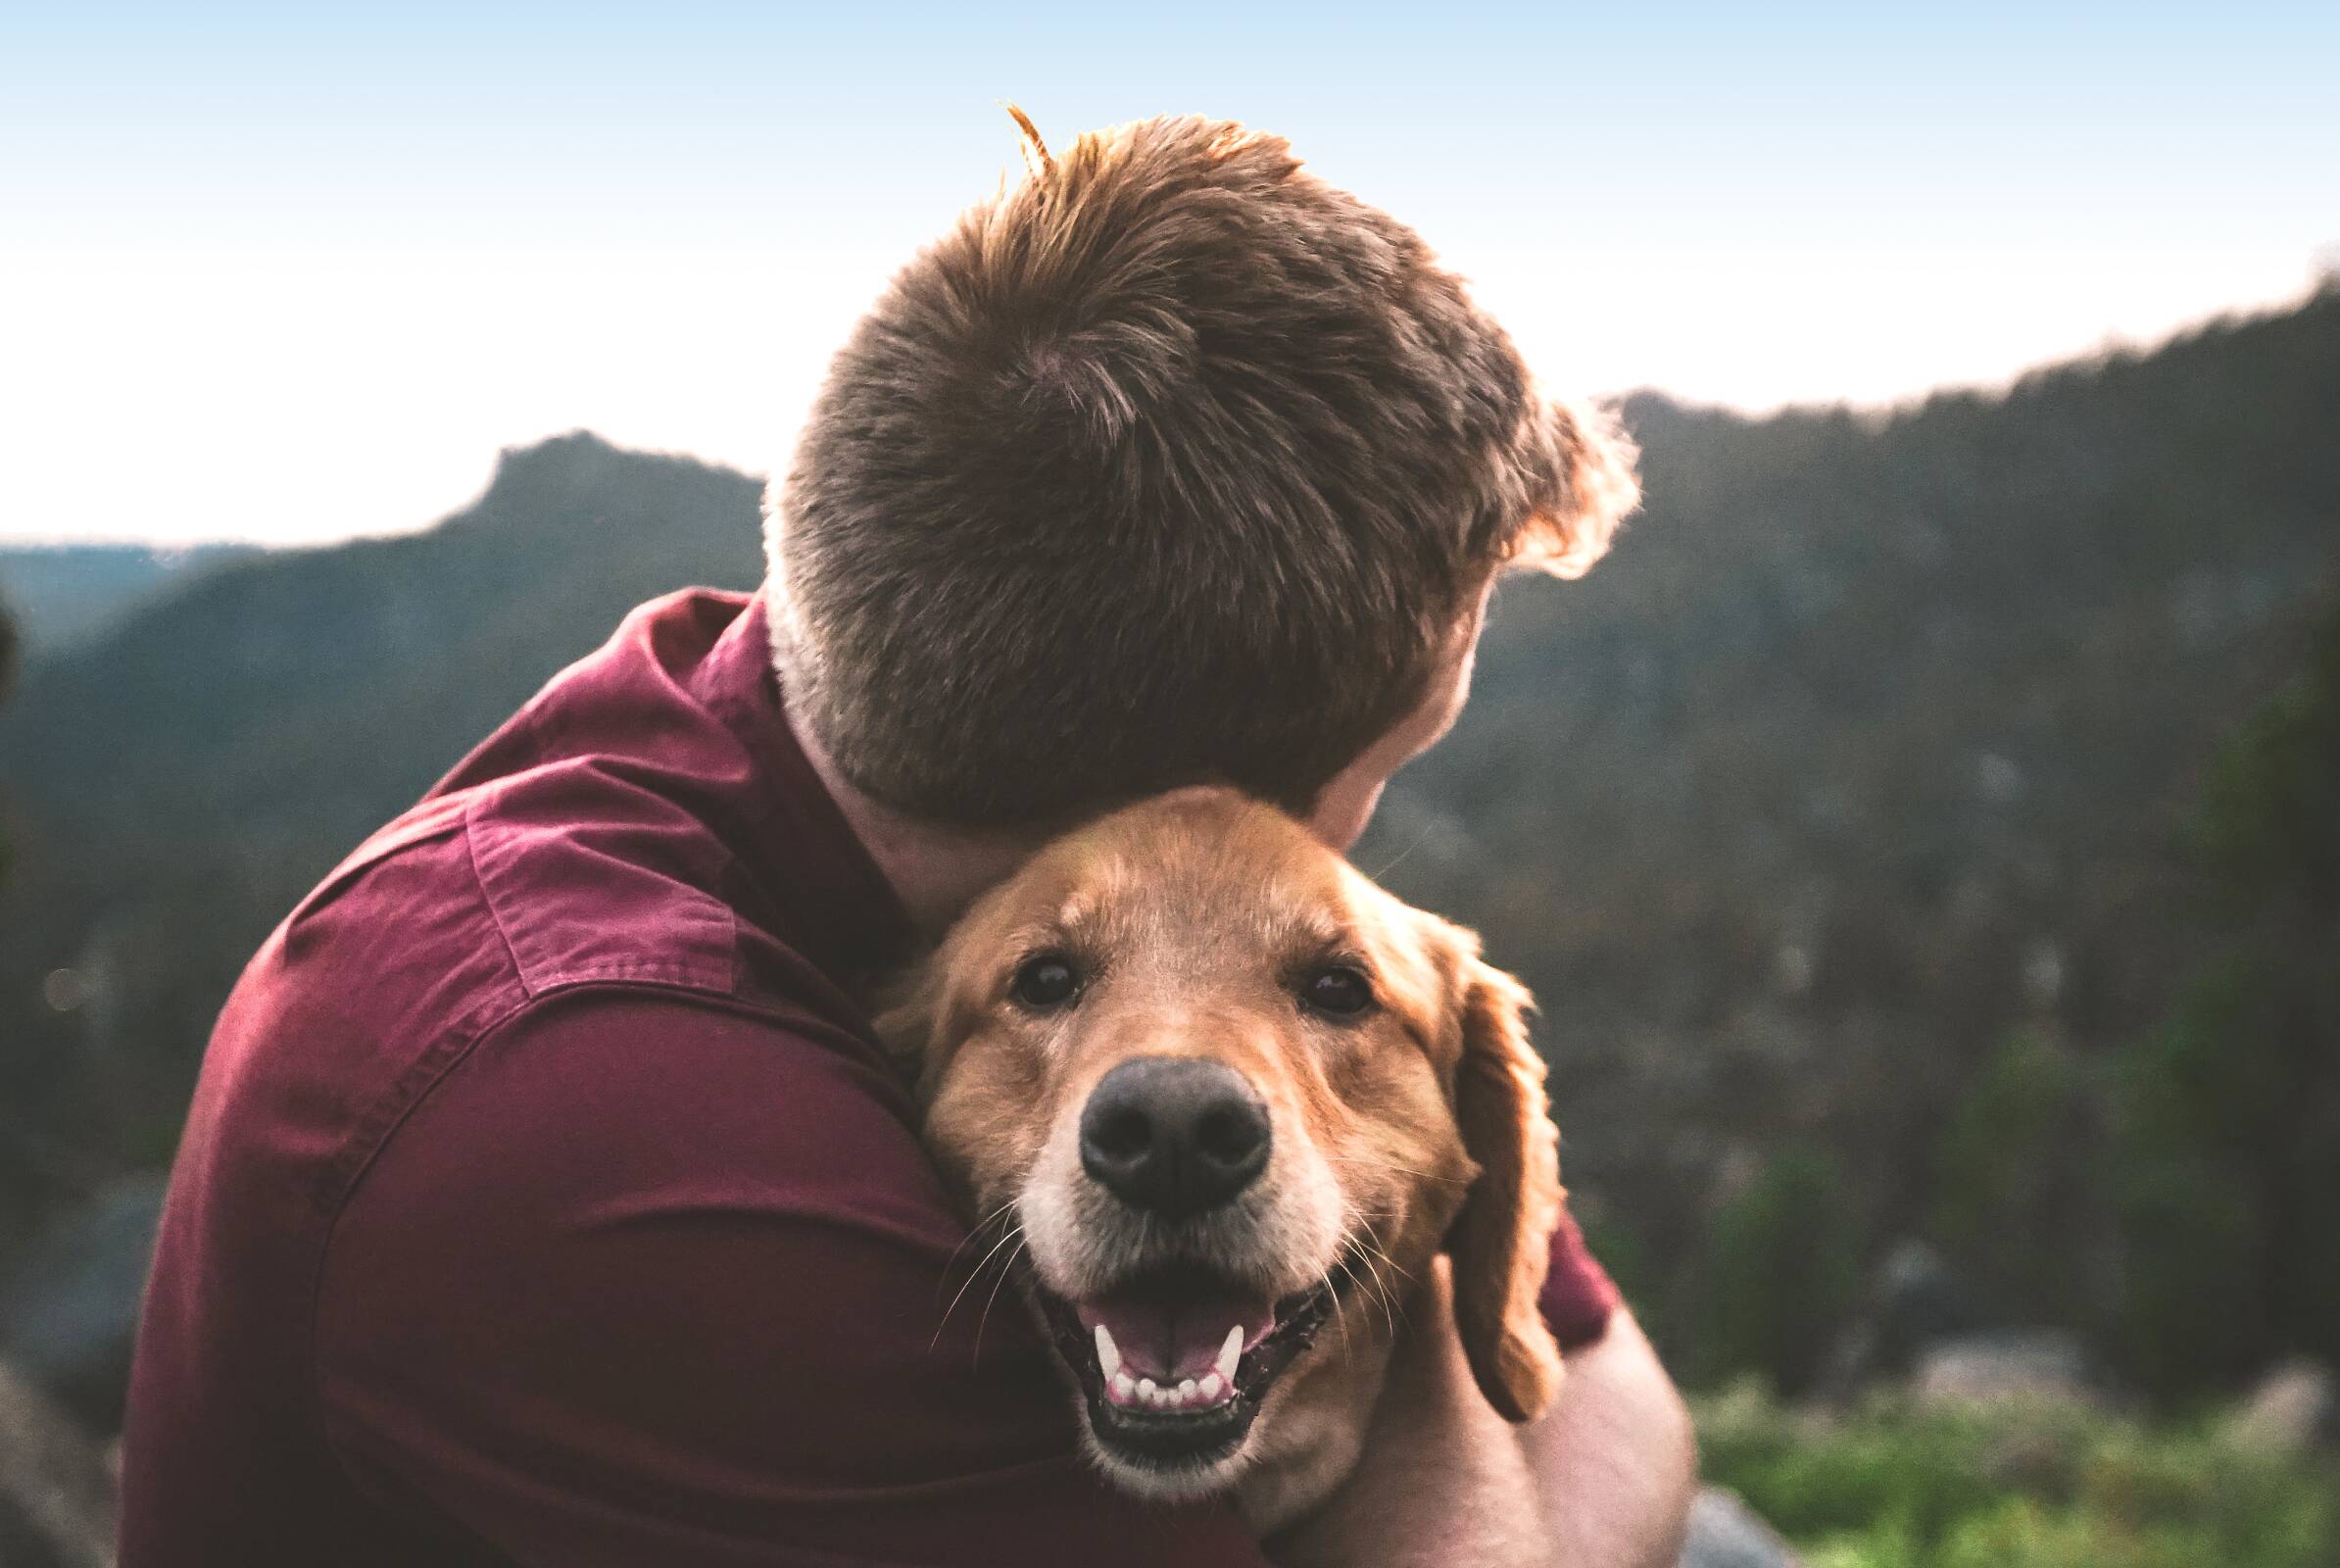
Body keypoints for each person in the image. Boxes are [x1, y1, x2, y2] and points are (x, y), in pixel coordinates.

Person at [118, 115, 1694, 1566]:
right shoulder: (602, 1126)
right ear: (1189, 808)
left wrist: (1387, 1238)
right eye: (1392, 763)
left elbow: (1615, 1390)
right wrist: (1391, 1286)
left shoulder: (818, 711)